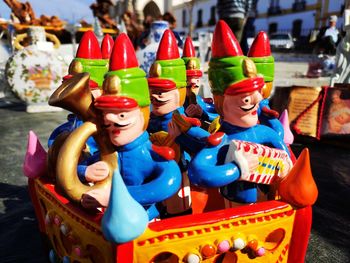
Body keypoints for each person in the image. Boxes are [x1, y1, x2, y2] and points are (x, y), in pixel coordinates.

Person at [77, 33, 182, 220]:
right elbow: (76, 168)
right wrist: (85, 172)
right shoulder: (108, 151)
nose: (110, 119)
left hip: (146, 220)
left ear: (142, 113)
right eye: (106, 113)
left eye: (122, 114)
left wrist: (115, 197)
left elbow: (168, 182)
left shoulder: (153, 153)